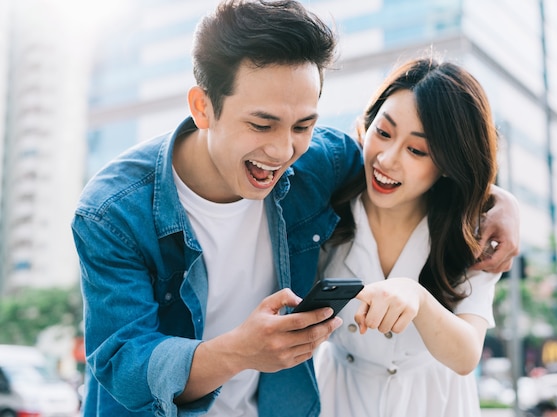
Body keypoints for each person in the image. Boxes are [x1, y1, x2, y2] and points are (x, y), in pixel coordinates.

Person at [71, 1, 519, 416]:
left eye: (303, 125)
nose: (283, 150)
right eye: (261, 124)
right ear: (203, 107)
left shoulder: (317, 163)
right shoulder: (112, 212)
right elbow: (122, 360)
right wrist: (240, 351)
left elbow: (421, 167)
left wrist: (497, 200)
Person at [314, 56, 510, 417]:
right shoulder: (327, 207)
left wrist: (416, 297)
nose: (387, 159)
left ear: (449, 164)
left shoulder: (472, 232)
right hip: (340, 397)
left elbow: (467, 353)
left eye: (416, 150)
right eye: (384, 133)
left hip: (435, 403)